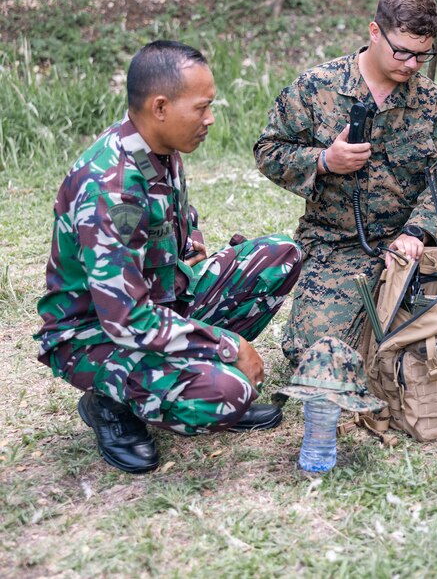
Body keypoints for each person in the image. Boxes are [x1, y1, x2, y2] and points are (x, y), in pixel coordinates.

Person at [34, 40, 303, 475]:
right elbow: (125, 319)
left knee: (279, 257)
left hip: (162, 301)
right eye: (202, 108)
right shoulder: (111, 186)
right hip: (95, 335)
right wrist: (226, 345)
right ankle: (109, 403)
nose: (210, 119)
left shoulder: (160, 148)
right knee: (229, 392)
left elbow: (178, 212)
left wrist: (189, 239)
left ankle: (180, 378)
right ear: (160, 106)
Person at [254, 0, 437, 363]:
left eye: (423, 55)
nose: (410, 64)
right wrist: (325, 161)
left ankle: (397, 312)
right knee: (311, 352)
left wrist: (416, 232)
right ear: (375, 32)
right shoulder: (316, 87)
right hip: (339, 244)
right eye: (401, 51)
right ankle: (399, 316)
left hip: (408, 246)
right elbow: (269, 151)